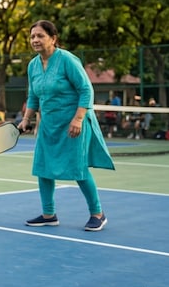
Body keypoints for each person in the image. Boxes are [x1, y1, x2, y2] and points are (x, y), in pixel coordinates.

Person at [17, 20, 113, 231]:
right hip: (49, 125)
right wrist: (26, 119)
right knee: (43, 168)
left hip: (74, 124)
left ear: (53, 38)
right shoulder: (33, 65)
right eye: (32, 36)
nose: (35, 40)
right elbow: (33, 95)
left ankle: (98, 214)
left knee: (77, 168)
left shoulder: (67, 60)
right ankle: (48, 214)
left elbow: (86, 90)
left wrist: (78, 119)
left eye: (40, 36)